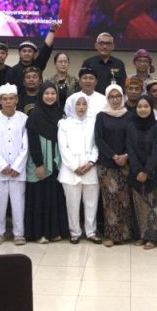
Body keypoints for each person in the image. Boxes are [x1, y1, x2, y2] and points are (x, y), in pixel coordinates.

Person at [25, 83, 69, 244]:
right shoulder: (35, 115)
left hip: (56, 161)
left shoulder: (60, 114)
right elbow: (32, 141)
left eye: (53, 94)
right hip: (41, 161)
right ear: (41, 95)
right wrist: (39, 164)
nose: (50, 97)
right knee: (39, 198)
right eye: (47, 93)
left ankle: (53, 231)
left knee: (54, 197)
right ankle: (38, 233)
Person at [0, 84, 30, 246]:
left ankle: (19, 233)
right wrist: (1, 165)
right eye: (5, 99)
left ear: (16, 100)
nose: (8, 102)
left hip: (18, 170)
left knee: (18, 202)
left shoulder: (23, 118)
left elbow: (26, 145)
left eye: (11, 98)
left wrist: (17, 166)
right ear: (0, 101)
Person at [94, 84, 135, 246]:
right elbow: (99, 139)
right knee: (110, 201)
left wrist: (125, 155)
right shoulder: (101, 116)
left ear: (123, 97)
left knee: (124, 199)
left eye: (118, 96)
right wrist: (113, 155)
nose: (115, 100)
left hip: (125, 163)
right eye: (111, 97)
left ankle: (125, 234)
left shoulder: (129, 115)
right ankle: (111, 235)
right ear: (107, 98)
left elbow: (132, 138)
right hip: (107, 164)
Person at [58, 93, 101, 244]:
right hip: (70, 169)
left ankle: (91, 231)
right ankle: (75, 231)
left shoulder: (94, 122)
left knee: (91, 203)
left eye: (84, 104)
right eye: (78, 104)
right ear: (72, 105)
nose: (81, 107)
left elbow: (97, 145)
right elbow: (63, 147)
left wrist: (91, 162)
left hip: (90, 167)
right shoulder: (64, 124)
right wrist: (74, 167)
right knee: (72, 203)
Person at [126, 95, 157, 249]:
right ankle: (142, 235)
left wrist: (146, 171)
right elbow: (130, 149)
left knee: (154, 205)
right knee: (139, 204)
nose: (143, 109)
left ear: (151, 108)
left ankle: (153, 237)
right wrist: (138, 170)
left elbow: (156, 151)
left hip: (153, 171)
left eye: (146, 106)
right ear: (136, 109)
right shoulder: (131, 127)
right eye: (140, 106)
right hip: (135, 172)